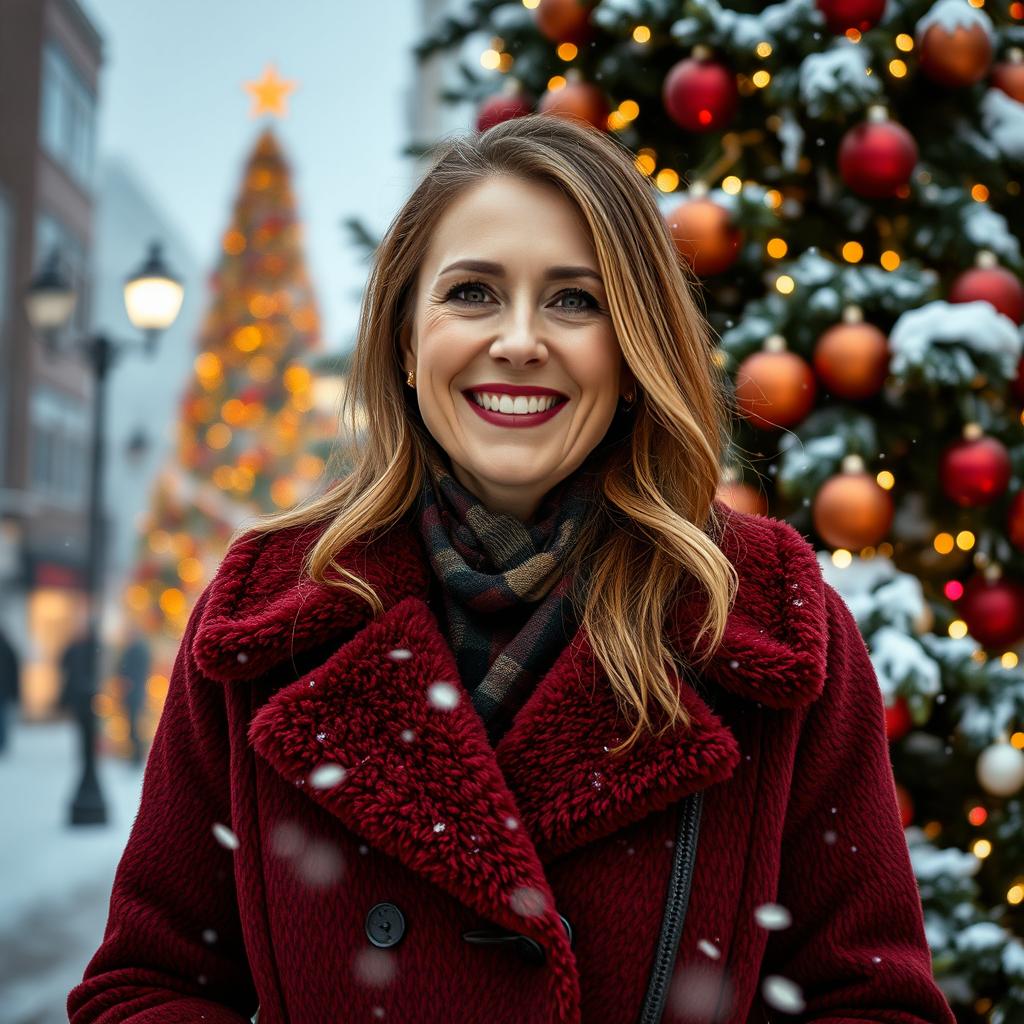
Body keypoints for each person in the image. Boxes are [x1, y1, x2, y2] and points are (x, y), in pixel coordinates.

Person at [68, 115, 956, 1024]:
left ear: (632, 348)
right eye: (473, 294)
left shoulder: (760, 619)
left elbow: (874, 1004)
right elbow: (146, 987)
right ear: (407, 342)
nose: (521, 340)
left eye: (576, 300)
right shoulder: (271, 614)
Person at [116, 624, 151, 765]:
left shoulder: (136, 650)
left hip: (133, 691)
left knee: (134, 725)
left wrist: (127, 681)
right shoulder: (137, 649)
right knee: (133, 725)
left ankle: (137, 756)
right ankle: (136, 755)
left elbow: (129, 670)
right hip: (133, 690)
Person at [0, 624, 20, 754]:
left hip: (4, 690)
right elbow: (14, 672)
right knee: (3, 717)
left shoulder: (7, 649)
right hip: (4, 690)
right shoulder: (8, 648)